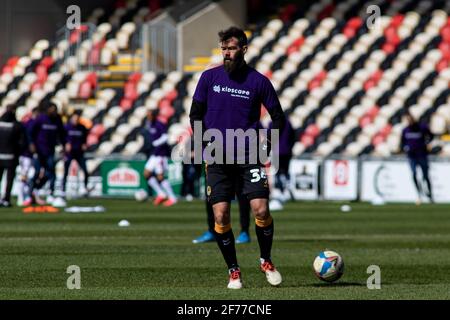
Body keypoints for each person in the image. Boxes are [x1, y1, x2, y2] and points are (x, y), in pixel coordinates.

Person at [189, 27, 286, 289]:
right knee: (220, 217)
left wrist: (268, 144)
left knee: (261, 209)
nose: (226, 54)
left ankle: (266, 260)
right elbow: (195, 113)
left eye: (231, 49)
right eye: (223, 49)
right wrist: (201, 142)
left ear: (243, 49)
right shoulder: (209, 78)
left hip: (249, 154)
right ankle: (234, 271)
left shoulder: (259, 81)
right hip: (217, 155)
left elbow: (278, 117)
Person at [29, 102, 66, 204]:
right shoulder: (41, 119)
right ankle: (31, 193)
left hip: (50, 151)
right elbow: (31, 132)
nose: (54, 111)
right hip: (39, 151)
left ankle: (50, 193)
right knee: (37, 172)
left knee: (50, 172)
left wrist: (63, 145)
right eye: (52, 109)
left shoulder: (57, 120)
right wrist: (32, 144)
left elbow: (62, 133)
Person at [141, 108, 177, 207]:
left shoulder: (159, 124)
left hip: (160, 155)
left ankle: (172, 198)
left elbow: (165, 137)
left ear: (153, 115)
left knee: (160, 177)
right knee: (146, 174)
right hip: (154, 154)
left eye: (149, 114)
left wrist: (156, 143)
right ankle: (161, 194)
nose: (147, 116)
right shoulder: (150, 124)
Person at [401, 111, 434, 204]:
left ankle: (430, 194)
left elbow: (431, 136)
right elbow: (403, 142)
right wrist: (405, 148)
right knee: (414, 174)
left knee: (425, 176)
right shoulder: (405, 130)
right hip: (412, 156)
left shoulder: (422, 128)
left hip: (422, 155)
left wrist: (426, 144)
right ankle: (419, 194)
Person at [0, 104, 26, 207]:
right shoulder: (17, 125)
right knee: (9, 180)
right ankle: (6, 199)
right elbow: (22, 142)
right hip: (11, 157)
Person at [62, 110, 90, 197]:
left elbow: (84, 139)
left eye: (77, 119)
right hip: (69, 153)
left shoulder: (82, 128)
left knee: (85, 171)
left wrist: (84, 144)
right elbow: (62, 138)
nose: (76, 120)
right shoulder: (66, 127)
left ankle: (85, 188)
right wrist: (65, 145)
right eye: (74, 118)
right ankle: (63, 189)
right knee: (66, 171)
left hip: (79, 153)